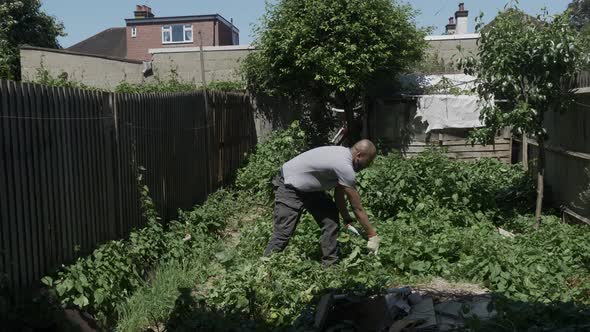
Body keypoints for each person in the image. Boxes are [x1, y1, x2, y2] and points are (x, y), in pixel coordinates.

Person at [263, 139, 380, 266]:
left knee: (330, 218)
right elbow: (357, 208)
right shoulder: (344, 167)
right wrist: (372, 235)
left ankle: (330, 265)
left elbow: (339, 196)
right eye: (367, 162)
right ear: (359, 156)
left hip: (309, 189)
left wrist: (346, 219)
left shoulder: (343, 155)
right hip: (289, 185)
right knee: (283, 233)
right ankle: (265, 268)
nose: (367, 166)